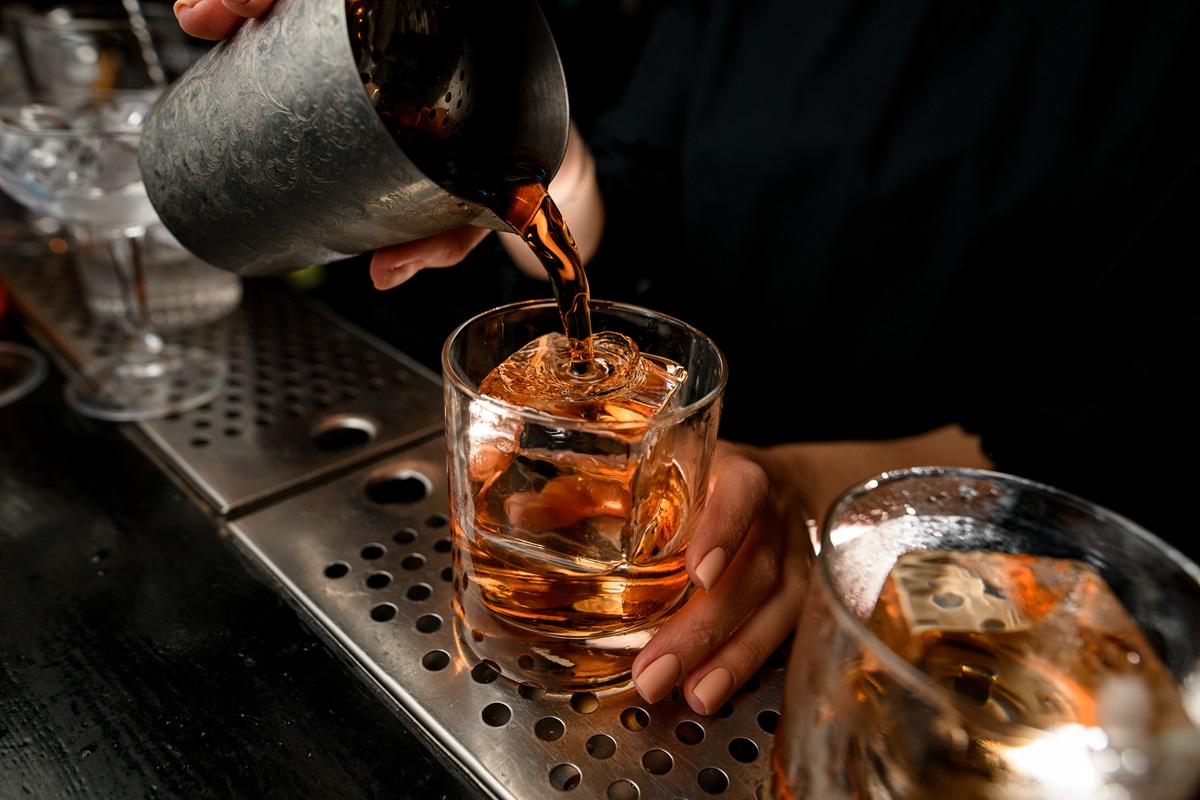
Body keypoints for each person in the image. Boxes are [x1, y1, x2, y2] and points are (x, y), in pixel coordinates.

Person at [173, 0, 1199, 717]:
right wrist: (522, 167)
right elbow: (623, 188)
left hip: (980, 610)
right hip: (689, 534)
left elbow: (1136, 409)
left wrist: (817, 495)